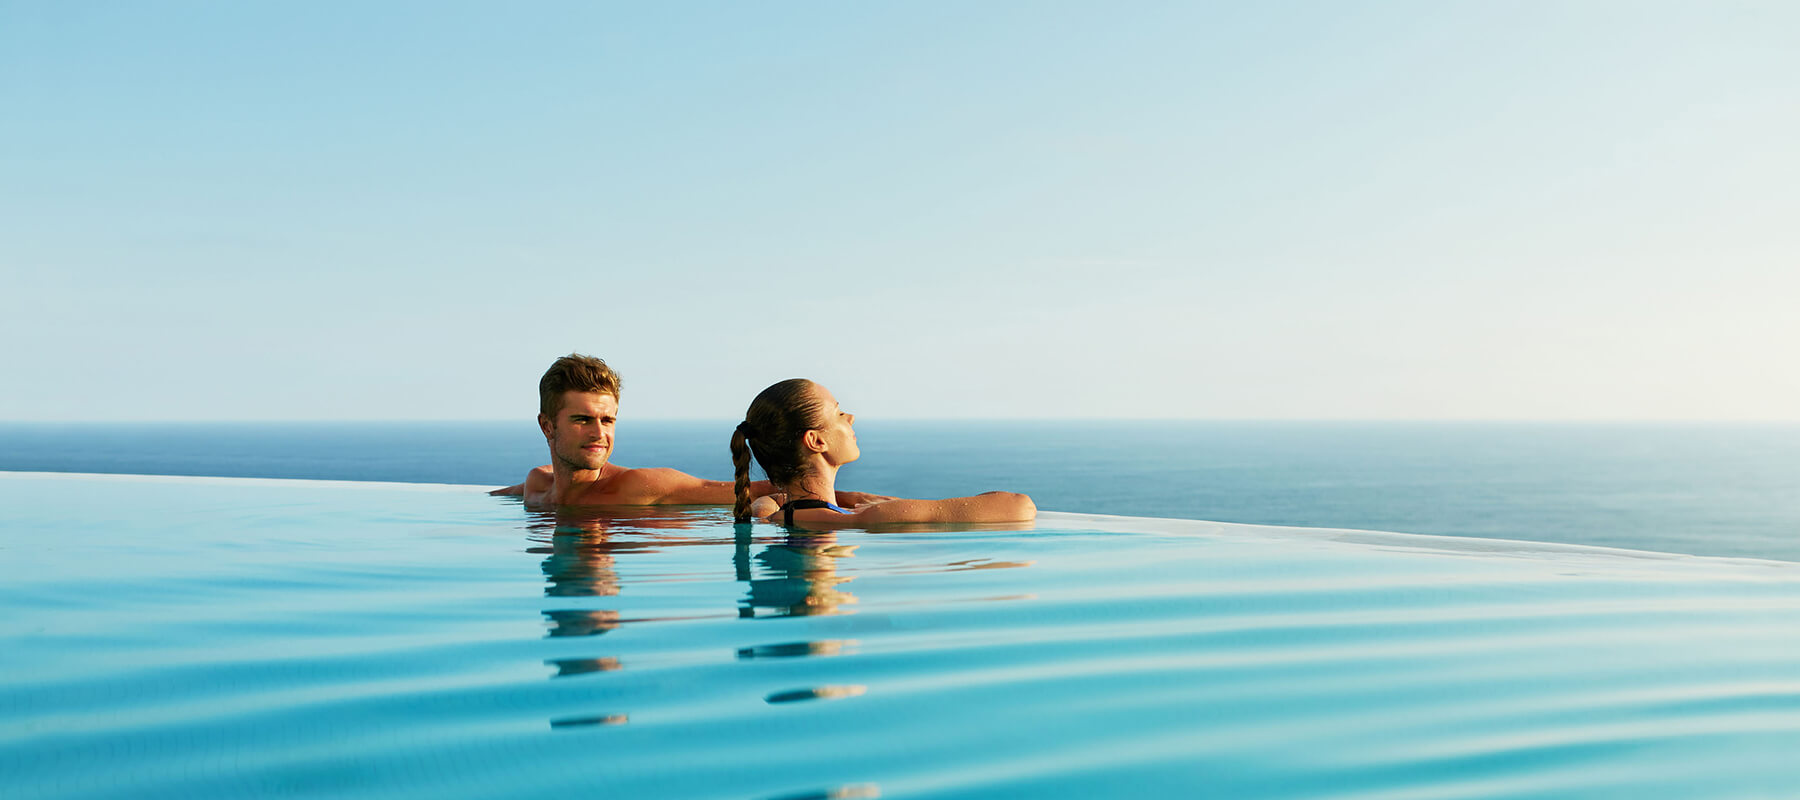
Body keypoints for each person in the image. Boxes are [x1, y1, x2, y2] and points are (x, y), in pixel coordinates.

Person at [495, 354, 881, 508]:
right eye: (582, 420)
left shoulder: (638, 487)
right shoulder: (536, 487)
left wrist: (859, 503)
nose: (599, 433)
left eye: (608, 420)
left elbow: (756, 490)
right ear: (547, 426)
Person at [731, 378, 1036, 526]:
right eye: (838, 414)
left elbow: (768, 501)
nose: (850, 418)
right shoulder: (867, 518)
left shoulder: (775, 515)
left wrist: (848, 498)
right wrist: (871, 507)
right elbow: (1021, 507)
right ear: (816, 442)